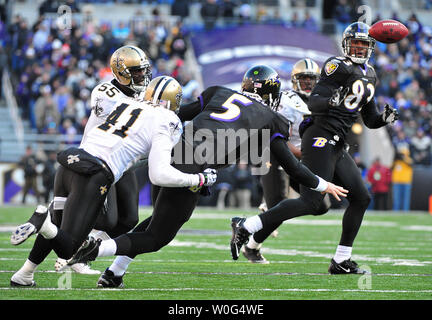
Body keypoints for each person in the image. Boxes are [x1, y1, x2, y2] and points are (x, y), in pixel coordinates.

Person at [67, 64, 347, 288]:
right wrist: (323, 183)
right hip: (190, 170)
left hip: (167, 156)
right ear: (271, 95)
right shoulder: (271, 118)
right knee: (157, 237)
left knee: (156, 220)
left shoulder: (218, 92)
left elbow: (178, 113)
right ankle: (97, 249)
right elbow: (294, 168)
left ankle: (114, 274)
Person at [9, 76, 217, 287]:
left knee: (64, 230)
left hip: (69, 162)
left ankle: (24, 275)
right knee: (69, 248)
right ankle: (42, 222)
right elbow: (159, 174)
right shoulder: (167, 119)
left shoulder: (127, 102)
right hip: (94, 173)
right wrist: (199, 178)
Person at [230, 22, 400, 274]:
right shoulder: (337, 66)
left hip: (337, 141)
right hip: (320, 135)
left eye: (364, 44)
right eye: (356, 43)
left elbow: (370, 118)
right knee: (312, 201)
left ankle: (341, 260)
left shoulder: (371, 74)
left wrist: (384, 118)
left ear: (372, 47)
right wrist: (331, 100)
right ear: (346, 44)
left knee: (361, 198)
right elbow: (317, 101)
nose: (360, 48)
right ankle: (248, 226)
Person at [54, 45, 154, 273]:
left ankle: (82, 249)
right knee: (106, 219)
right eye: (136, 71)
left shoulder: (141, 92)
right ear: (121, 72)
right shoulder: (104, 92)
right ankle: (65, 229)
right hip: (99, 159)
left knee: (129, 219)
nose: (141, 75)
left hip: (123, 162)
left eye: (143, 70)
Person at [243, 58, 322, 264]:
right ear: (295, 80)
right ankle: (252, 247)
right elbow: (276, 137)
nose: (307, 83)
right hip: (275, 153)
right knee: (278, 207)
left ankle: (268, 209)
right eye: (303, 78)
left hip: (301, 157)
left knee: (320, 204)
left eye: (311, 79)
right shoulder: (285, 101)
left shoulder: (322, 102)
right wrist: (303, 154)